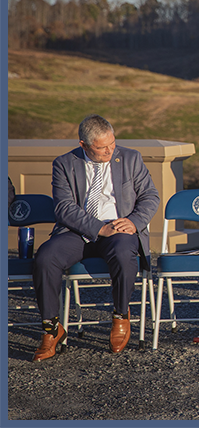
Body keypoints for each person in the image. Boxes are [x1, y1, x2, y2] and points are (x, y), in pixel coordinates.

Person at [32, 115, 160, 361]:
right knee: (45, 257)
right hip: (78, 231)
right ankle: (51, 329)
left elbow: (150, 196)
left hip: (120, 227)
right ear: (83, 145)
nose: (110, 150)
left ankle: (121, 315)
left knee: (124, 253)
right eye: (102, 148)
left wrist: (133, 222)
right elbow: (64, 208)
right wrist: (98, 229)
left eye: (112, 143)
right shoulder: (64, 164)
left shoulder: (131, 158)